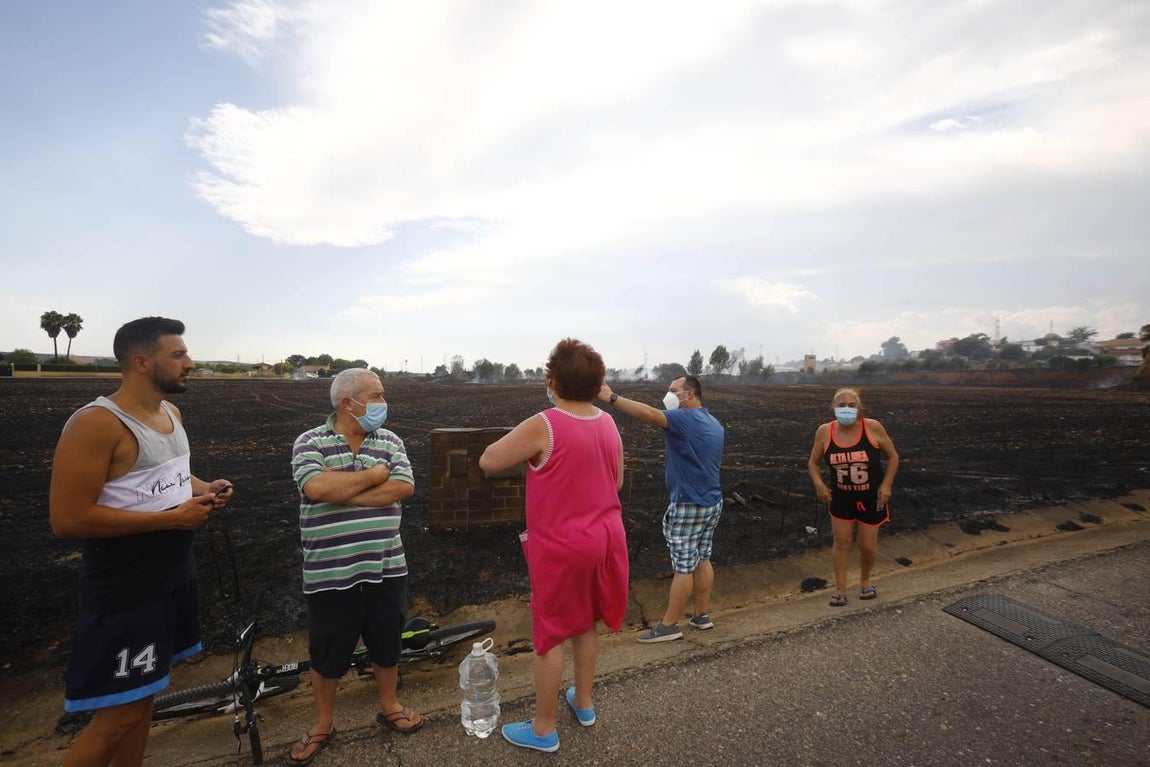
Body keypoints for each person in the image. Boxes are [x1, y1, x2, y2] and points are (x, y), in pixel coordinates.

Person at [49, 316, 234, 767]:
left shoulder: (171, 414)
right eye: (178, 354)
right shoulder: (97, 423)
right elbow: (68, 519)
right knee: (117, 718)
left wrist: (205, 488)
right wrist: (171, 520)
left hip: (172, 579)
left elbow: (171, 477)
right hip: (125, 593)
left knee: (143, 701)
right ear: (141, 362)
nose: (190, 363)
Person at [479, 339, 628, 753]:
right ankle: (584, 702)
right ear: (597, 383)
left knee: (549, 636)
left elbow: (489, 460)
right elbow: (615, 482)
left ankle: (543, 729)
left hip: (563, 547)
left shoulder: (544, 424)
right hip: (606, 539)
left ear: (552, 381)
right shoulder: (608, 423)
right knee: (586, 622)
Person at [288, 368, 422, 765]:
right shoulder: (310, 441)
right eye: (377, 395)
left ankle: (390, 705)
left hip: (387, 566)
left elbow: (404, 486)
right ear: (349, 403)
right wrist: (375, 476)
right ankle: (323, 723)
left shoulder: (391, 440)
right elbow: (315, 487)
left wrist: (343, 491)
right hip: (331, 570)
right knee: (327, 651)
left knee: (387, 643)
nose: (384, 402)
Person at [598, 375, 725, 642]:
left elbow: (650, 414)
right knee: (703, 558)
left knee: (683, 567)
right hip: (713, 501)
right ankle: (702, 615)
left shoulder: (685, 419)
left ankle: (669, 626)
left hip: (688, 503)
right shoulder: (714, 423)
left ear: (689, 394)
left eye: (673, 390)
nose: (668, 395)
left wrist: (611, 397)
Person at [807, 387, 900, 607]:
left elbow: (893, 456)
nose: (846, 409)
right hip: (841, 498)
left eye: (851, 405)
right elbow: (812, 463)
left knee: (866, 545)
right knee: (841, 542)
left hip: (871, 498)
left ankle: (865, 582)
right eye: (841, 405)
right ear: (833, 408)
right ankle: (840, 590)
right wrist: (820, 485)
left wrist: (886, 485)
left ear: (859, 408)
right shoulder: (825, 432)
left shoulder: (872, 428)